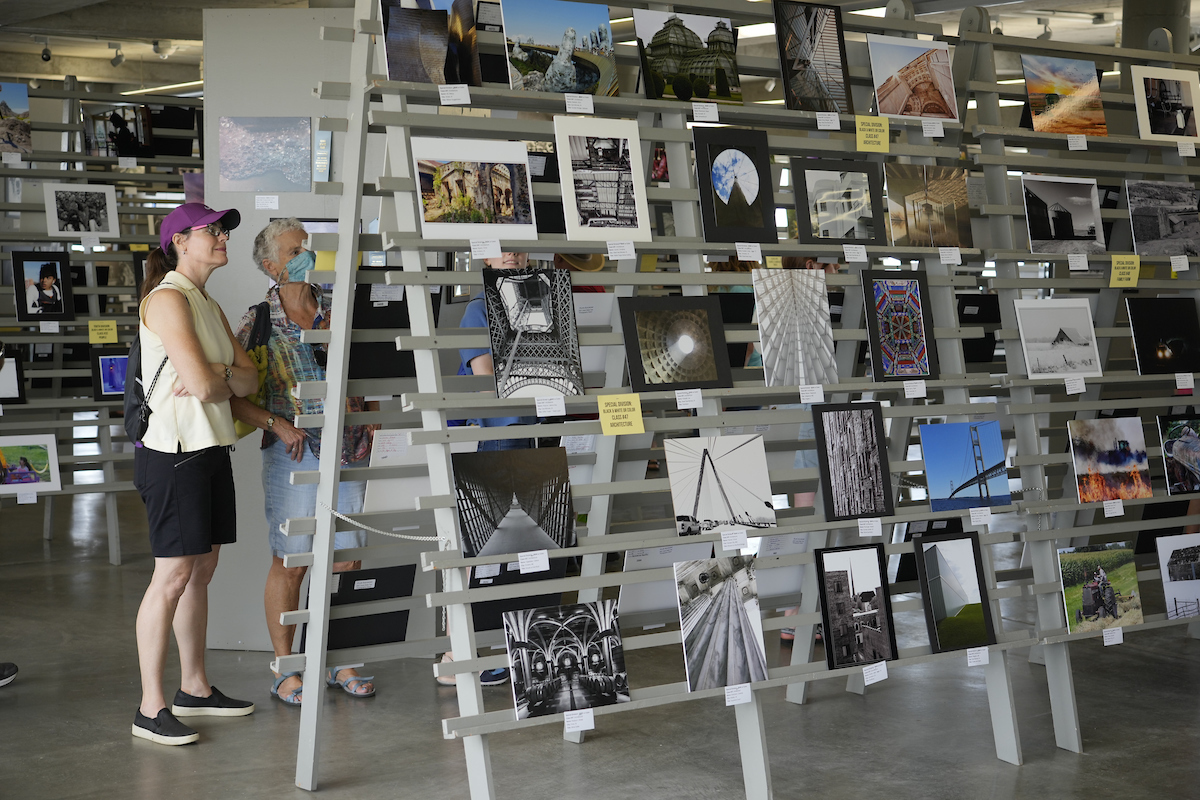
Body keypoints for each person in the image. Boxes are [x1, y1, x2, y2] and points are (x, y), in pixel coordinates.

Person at [229, 218, 377, 705]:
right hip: (292, 453)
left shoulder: (338, 307)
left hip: (349, 448)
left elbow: (367, 365)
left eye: (306, 247)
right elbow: (233, 395)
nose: (304, 255)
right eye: (294, 250)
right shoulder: (258, 322)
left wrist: (370, 409)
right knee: (291, 562)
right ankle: (287, 668)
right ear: (271, 265)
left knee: (346, 559)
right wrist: (277, 424)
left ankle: (340, 658)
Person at [132, 202, 259, 746]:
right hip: (173, 452)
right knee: (172, 577)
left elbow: (247, 381)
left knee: (201, 570)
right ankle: (149, 705)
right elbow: (210, 389)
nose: (224, 237)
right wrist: (215, 378)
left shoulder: (207, 301)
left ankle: (194, 687)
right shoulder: (165, 300)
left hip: (209, 447)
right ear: (181, 241)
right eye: (214, 230)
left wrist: (215, 374)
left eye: (224, 230)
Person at [438, 250, 537, 687]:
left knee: (515, 546)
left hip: (531, 432)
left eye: (519, 251)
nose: (514, 258)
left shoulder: (539, 306)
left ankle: (494, 643)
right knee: (481, 544)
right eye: (503, 253)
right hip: (498, 434)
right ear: (485, 262)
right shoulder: (479, 310)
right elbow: (485, 376)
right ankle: (456, 652)